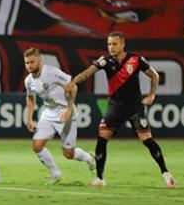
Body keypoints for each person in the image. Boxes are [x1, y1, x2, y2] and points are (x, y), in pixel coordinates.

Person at [65, 32, 175, 188]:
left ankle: (166, 173)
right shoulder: (105, 61)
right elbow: (87, 73)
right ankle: (100, 178)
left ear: (123, 44)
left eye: (114, 44)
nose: (111, 47)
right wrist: (73, 82)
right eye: (109, 44)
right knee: (102, 138)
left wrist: (151, 95)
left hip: (134, 107)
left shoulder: (136, 60)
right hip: (115, 106)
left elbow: (154, 75)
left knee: (147, 140)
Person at [23, 48, 95, 183]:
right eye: (26, 63)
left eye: (32, 62)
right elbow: (30, 98)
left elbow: (73, 87)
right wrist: (29, 118)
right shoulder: (28, 81)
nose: (29, 66)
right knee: (37, 146)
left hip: (65, 113)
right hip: (48, 112)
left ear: (40, 61)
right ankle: (55, 173)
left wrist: (69, 109)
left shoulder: (51, 72)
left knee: (68, 153)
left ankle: (89, 158)